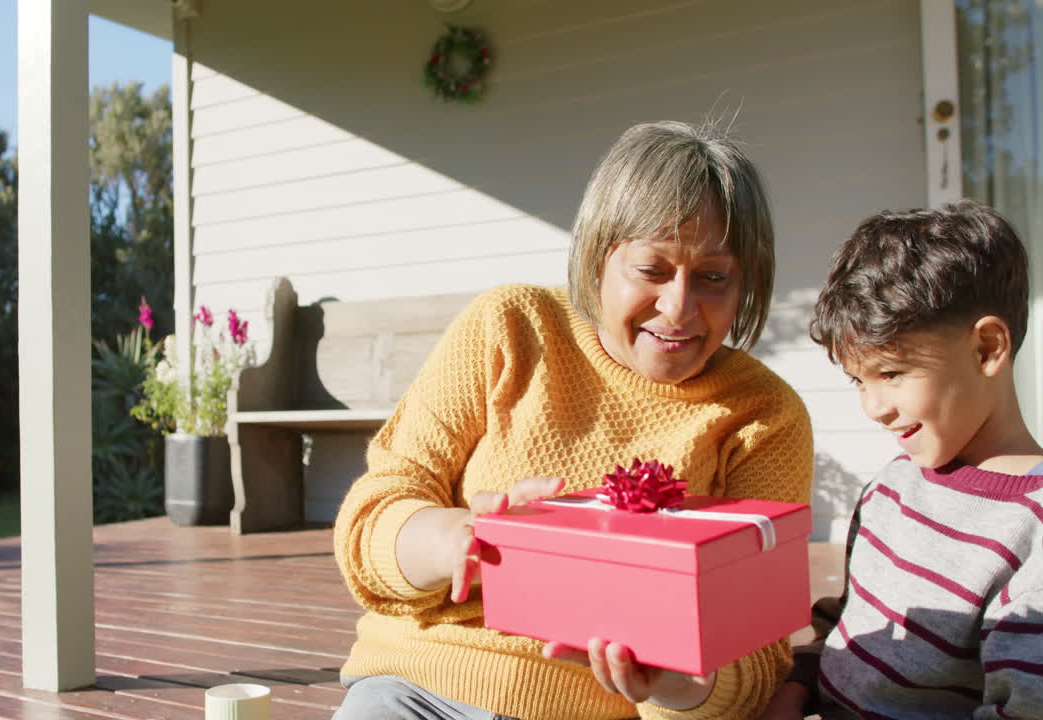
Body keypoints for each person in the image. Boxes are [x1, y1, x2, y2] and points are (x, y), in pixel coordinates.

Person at [331, 119, 814, 720]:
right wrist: (454, 540)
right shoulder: (509, 327)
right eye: (652, 271)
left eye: (714, 278)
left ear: (747, 281)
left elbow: (758, 655)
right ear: (597, 258)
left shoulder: (765, 415)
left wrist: (675, 680)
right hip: (418, 688)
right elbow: (375, 512)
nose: (679, 308)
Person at [758, 202, 1043, 719]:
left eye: (891, 373)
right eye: (858, 380)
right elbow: (849, 630)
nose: (873, 408)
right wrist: (797, 685)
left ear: (986, 348)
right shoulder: (891, 487)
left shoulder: (1033, 533)